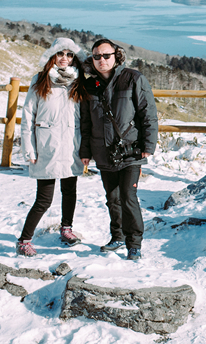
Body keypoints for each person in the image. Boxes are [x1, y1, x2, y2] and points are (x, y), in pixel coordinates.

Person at [80, 39, 158, 261]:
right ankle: (117, 236)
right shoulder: (89, 86)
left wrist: (148, 145)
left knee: (128, 196)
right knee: (112, 198)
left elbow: (147, 113)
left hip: (131, 150)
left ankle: (134, 243)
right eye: (97, 56)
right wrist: (85, 151)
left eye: (106, 55)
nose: (101, 60)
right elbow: (86, 122)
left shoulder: (133, 78)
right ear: (92, 59)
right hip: (103, 150)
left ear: (116, 56)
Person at [17, 38, 87, 257]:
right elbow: (28, 115)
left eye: (69, 54)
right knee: (44, 199)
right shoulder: (40, 80)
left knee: (70, 191)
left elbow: (85, 119)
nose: (65, 58)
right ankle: (24, 240)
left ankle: (66, 229)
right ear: (52, 57)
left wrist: (85, 150)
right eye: (60, 54)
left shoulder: (78, 81)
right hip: (46, 146)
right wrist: (29, 147)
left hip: (71, 146)